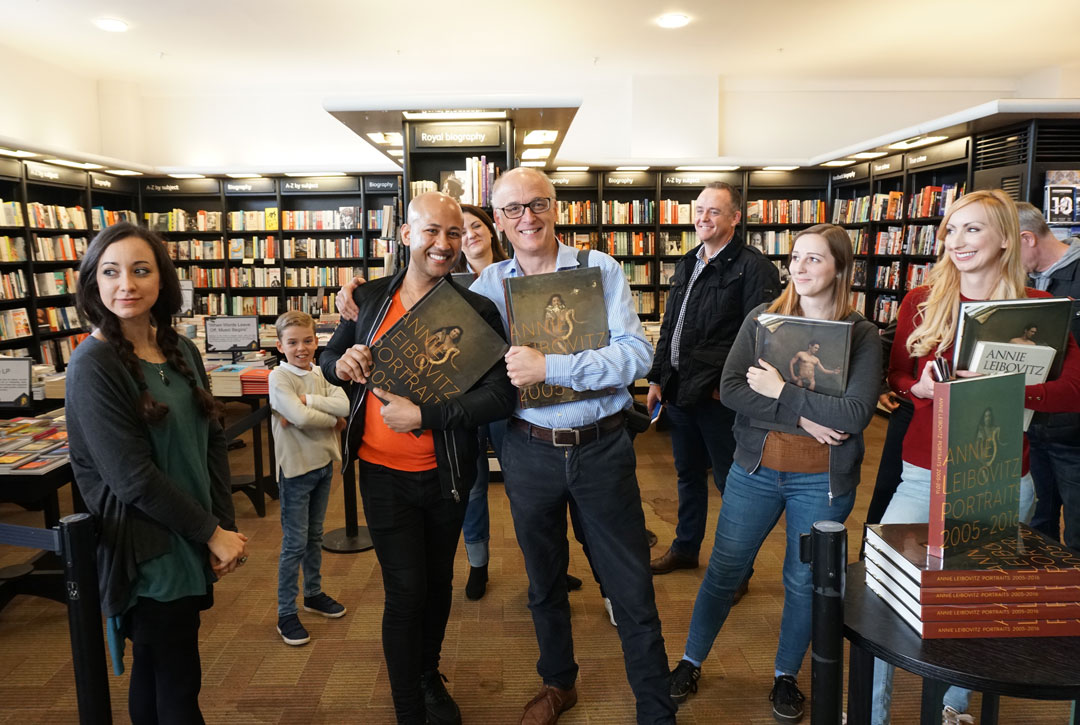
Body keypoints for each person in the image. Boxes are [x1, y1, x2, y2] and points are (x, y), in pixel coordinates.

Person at [469, 167, 674, 725]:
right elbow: (446, 337)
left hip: (601, 448)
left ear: (556, 207)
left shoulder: (597, 269)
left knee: (630, 584)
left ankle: (655, 707)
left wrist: (551, 365)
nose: (526, 217)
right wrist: (359, 300)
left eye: (537, 204)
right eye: (512, 209)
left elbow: (637, 354)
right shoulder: (489, 285)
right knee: (543, 579)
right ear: (497, 219)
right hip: (527, 448)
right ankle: (558, 683)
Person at [871, 190, 1080, 725]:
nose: (956, 241)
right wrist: (914, 386)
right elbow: (896, 373)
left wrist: (1011, 386)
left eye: (973, 230)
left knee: (972, 604)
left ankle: (952, 707)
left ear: (1007, 238)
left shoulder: (1039, 308)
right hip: (923, 468)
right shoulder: (922, 299)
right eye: (951, 230)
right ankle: (871, 711)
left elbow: (1073, 391)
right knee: (882, 593)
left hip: (1002, 474)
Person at [668, 223, 880, 723]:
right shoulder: (764, 321)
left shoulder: (863, 334)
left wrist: (780, 391)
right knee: (724, 570)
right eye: (796, 258)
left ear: (840, 268)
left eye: (815, 259)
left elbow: (853, 415)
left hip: (822, 482)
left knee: (802, 582)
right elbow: (735, 391)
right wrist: (807, 416)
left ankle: (786, 674)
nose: (800, 269)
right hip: (755, 469)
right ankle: (690, 660)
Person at [320, 192, 516, 725]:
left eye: (454, 234)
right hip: (383, 477)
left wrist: (426, 417)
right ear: (406, 235)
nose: (444, 244)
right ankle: (408, 706)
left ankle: (427, 674)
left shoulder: (475, 309)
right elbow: (326, 356)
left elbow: (500, 395)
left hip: (448, 475)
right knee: (406, 590)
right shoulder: (371, 298)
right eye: (431, 231)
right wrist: (344, 362)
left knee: (437, 584)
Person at [65, 222, 248, 724]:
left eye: (140, 270)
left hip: (189, 535)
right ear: (93, 284)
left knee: (156, 669)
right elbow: (132, 480)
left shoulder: (179, 348)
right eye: (111, 272)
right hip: (148, 548)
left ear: (162, 281)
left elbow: (212, 439)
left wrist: (222, 528)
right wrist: (211, 532)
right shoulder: (93, 363)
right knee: (178, 683)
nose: (127, 284)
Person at [646, 181, 780, 586]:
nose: (703, 218)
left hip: (721, 396)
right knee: (688, 475)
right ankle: (686, 548)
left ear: (736, 218)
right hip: (681, 389)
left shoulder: (754, 268)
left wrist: (731, 384)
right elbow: (672, 324)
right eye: (699, 210)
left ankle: (736, 569)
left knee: (732, 483)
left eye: (714, 212)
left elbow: (762, 337)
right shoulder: (690, 260)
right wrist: (657, 376)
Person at [268, 310, 350, 646]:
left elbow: (343, 405)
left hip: (322, 465)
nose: (301, 348)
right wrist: (328, 420)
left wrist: (310, 403)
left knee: (315, 535)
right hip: (296, 470)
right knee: (294, 543)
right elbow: (301, 416)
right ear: (280, 345)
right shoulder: (279, 377)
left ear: (317, 341)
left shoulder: (320, 373)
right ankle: (286, 611)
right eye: (292, 342)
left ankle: (313, 593)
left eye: (307, 341)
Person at [1017, 201, 1080, 550]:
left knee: (1078, 529)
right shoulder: (1019, 281)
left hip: (1074, 432)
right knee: (1036, 526)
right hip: (1032, 425)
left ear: (1027, 238)